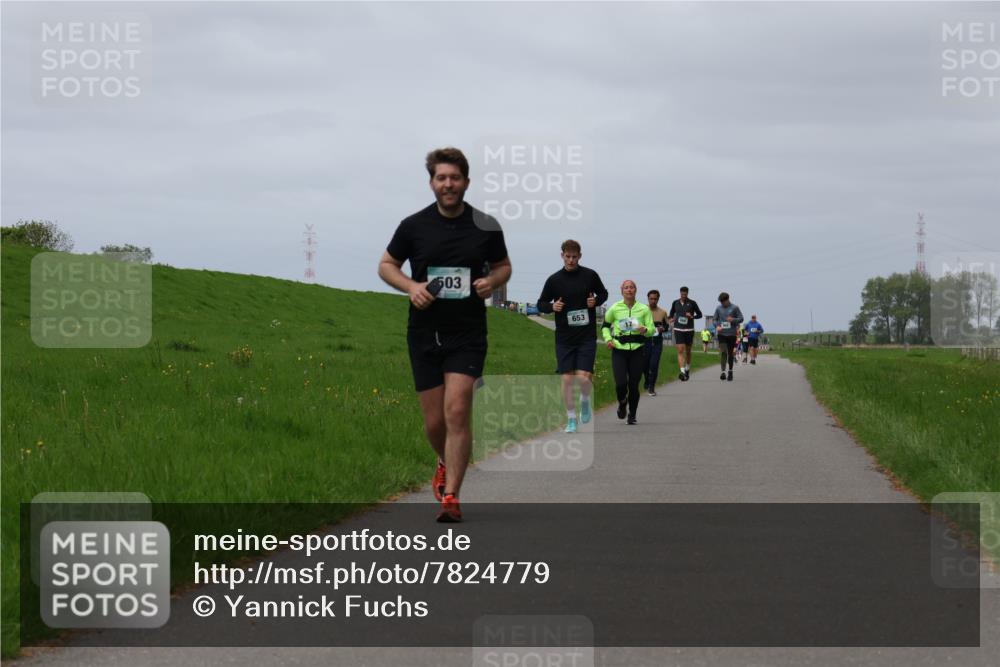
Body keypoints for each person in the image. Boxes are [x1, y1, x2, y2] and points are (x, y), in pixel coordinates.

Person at [378, 147, 511, 523]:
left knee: (457, 410)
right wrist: (410, 287)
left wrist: (492, 281)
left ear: (466, 182)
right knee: (435, 423)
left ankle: (451, 496)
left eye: (454, 178)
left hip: (467, 332)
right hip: (424, 332)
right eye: (441, 178)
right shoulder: (413, 226)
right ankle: (443, 460)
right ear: (432, 183)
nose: (448, 184)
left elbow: (504, 266)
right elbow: (386, 265)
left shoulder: (486, 225)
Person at [537, 240, 609, 433]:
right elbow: (541, 303)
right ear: (562, 255)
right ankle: (571, 419)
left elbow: (603, 293)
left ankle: (584, 400)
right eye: (567, 257)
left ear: (580, 256)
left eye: (574, 257)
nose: (571, 260)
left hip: (586, 335)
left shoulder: (590, 275)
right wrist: (552, 306)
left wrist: (596, 301)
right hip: (564, 337)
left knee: (584, 378)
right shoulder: (554, 280)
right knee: (567, 380)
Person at [602, 280, 656, 425]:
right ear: (622, 291)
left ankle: (632, 414)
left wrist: (645, 330)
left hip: (638, 350)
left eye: (631, 287)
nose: (629, 290)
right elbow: (605, 326)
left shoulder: (644, 309)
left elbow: (652, 330)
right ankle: (622, 402)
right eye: (626, 288)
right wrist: (608, 339)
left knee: (633, 384)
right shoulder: (615, 308)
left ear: (635, 290)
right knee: (621, 383)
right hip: (619, 349)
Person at [667, 286, 703, 381]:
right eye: (682, 294)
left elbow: (700, 315)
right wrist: (671, 318)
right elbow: (671, 314)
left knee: (688, 350)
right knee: (680, 350)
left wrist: (692, 316)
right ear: (680, 293)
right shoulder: (675, 303)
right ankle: (682, 371)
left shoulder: (692, 303)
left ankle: (687, 368)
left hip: (689, 330)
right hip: (678, 329)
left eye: (685, 294)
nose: (683, 296)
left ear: (687, 293)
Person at [642, 290, 670, 396]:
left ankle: (651, 387)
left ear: (658, 299)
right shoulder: (642, 310)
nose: (653, 301)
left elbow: (667, 326)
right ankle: (647, 380)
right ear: (648, 299)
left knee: (654, 365)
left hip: (657, 342)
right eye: (651, 299)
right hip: (645, 341)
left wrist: (663, 328)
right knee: (644, 365)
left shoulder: (662, 312)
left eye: (655, 299)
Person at [713, 292, 744, 382]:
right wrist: (716, 326)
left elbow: (741, 318)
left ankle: (730, 371)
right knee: (723, 352)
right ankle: (723, 372)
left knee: (730, 353)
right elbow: (714, 319)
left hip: (732, 334)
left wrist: (733, 320)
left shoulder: (735, 308)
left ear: (728, 300)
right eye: (721, 302)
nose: (722, 304)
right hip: (721, 334)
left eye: (723, 302)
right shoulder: (718, 308)